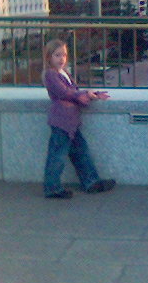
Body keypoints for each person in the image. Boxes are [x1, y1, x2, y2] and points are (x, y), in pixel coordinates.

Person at [42, 39, 116, 199]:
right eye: (57, 55)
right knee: (57, 156)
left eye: (64, 55)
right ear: (49, 57)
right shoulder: (50, 74)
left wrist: (91, 94)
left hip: (71, 122)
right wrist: (85, 94)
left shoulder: (64, 73)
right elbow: (65, 93)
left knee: (81, 152)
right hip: (62, 122)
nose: (61, 58)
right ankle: (52, 188)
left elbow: (74, 92)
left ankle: (91, 182)